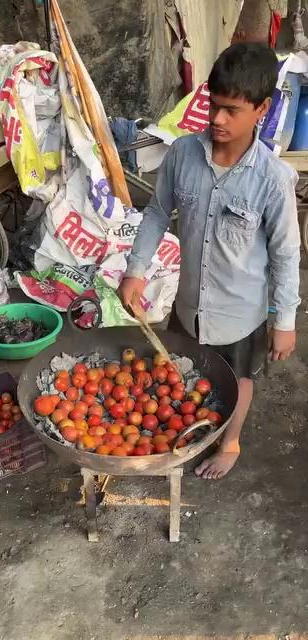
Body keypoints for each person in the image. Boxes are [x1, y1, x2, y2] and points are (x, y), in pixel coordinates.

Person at [118, 43, 301, 479]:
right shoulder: (182, 154)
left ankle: (230, 442)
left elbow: (285, 253)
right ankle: (192, 428)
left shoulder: (273, 181)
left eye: (232, 110)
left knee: (237, 381)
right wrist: (136, 270)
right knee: (185, 370)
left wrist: (286, 321)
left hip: (241, 314)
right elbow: (158, 212)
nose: (217, 120)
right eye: (214, 106)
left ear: (262, 109)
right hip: (188, 304)